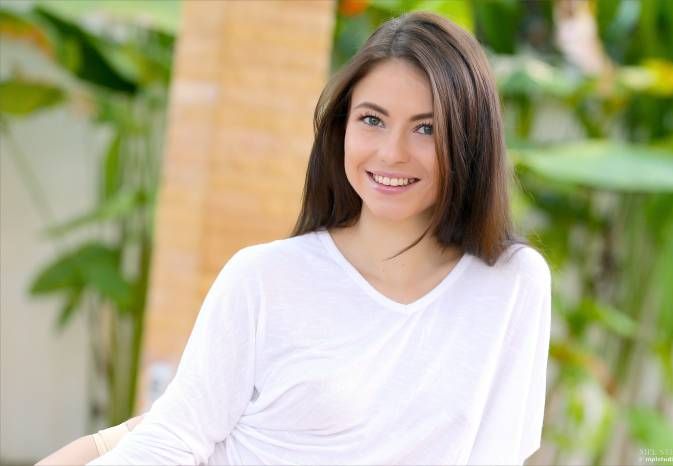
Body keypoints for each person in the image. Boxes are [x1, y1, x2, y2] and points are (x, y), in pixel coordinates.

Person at [37, 10, 551, 466]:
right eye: (372, 120)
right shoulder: (264, 277)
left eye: (426, 128)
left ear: (469, 139)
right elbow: (172, 439)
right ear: (341, 128)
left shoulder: (511, 283)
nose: (392, 152)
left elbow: (499, 451)